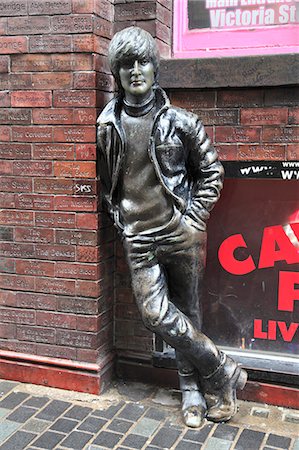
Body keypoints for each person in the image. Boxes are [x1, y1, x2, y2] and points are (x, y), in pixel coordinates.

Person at [97, 26, 247, 428]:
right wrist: (120, 217)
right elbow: (106, 179)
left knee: (188, 315)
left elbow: (212, 172)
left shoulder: (181, 121)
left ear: (155, 67)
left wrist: (193, 219)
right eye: (125, 64)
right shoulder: (107, 124)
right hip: (139, 238)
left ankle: (196, 393)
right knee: (155, 314)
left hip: (180, 232)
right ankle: (222, 369)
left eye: (142, 61)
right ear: (116, 72)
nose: (134, 71)